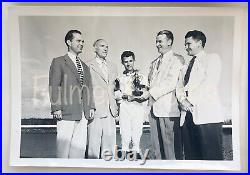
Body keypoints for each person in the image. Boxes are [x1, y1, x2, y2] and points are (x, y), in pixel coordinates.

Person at [176, 30, 224, 160]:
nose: (186, 47)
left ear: (199, 43)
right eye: (185, 44)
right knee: (192, 159)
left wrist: (189, 101)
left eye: (188, 43)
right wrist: (182, 101)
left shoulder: (212, 58)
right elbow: (179, 87)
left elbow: (210, 83)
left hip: (207, 118)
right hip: (187, 118)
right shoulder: (185, 67)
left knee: (211, 159)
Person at [49, 30, 95, 158]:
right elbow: (54, 86)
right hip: (66, 113)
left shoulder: (85, 66)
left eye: (83, 41)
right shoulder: (58, 62)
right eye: (78, 41)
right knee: (63, 152)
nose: (81, 44)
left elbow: (88, 88)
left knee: (78, 152)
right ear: (69, 42)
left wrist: (91, 106)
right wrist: (56, 108)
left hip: (83, 114)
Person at [140, 30, 184, 160]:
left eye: (160, 41)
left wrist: (150, 94)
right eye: (156, 41)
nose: (157, 44)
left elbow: (170, 83)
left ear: (169, 42)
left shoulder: (177, 59)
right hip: (153, 111)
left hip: (168, 111)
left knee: (171, 151)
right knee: (157, 149)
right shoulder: (154, 63)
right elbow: (150, 83)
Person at [87, 39, 119, 159]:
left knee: (109, 149)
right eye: (102, 46)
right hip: (95, 110)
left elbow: (115, 89)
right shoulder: (88, 65)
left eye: (107, 46)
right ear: (95, 48)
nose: (105, 48)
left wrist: (117, 108)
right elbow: (85, 89)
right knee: (93, 147)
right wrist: (89, 106)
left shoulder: (113, 66)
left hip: (111, 111)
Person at [115, 51, 148, 157]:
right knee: (124, 130)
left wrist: (135, 97)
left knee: (137, 130)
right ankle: (124, 150)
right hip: (124, 107)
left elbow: (145, 93)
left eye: (130, 61)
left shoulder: (141, 77)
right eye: (126, 62)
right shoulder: (119, 79)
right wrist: (123, 96)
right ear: (122, 63)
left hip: (137, 107)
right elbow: (116, 94)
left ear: (134, 61)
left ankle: (136, 151)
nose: (128, 64)